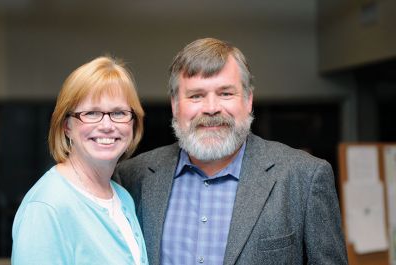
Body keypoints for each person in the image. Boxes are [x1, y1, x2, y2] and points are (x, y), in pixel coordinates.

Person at [115, 38, 348, 265]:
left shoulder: (304, 177)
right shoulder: (132, 178)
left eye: (225, 93)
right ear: (175, 105)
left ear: (248, 100)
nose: (212, 108)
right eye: (196, 96)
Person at [12, 56, 148, 265]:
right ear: (67, 126)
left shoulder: (123, 199)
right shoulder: (46, 207)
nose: (107, 125)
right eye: (92, 113)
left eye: (118, 113)